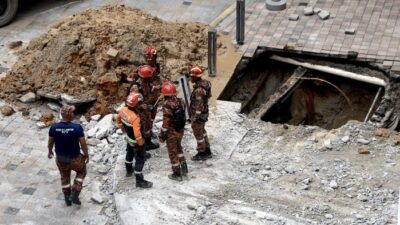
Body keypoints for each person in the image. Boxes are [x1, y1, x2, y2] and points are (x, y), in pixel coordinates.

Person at [48, 105, 89, 206]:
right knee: (81, 171)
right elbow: (83, 144)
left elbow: (50, 142)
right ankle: (75, 192)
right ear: (70, 115)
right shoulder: (77, 128)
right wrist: (86, 154)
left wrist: (50, 151)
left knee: (65, 177)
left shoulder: (54, 127)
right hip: (75, 158)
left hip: (61, 159)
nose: (74, 114)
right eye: (72, 113)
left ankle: (67, 199)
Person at [115, 92, 153, 188]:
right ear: (136, 104)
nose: (141, 104)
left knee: (130, 153)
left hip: (129, 138)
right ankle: (139, 181)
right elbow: (137, 134)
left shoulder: (123, 110)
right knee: (140, 159)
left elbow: (117, 119)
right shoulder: (135, 118)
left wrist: (122, 128)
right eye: (139, 103)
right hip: (136, 141)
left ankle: (128, 170)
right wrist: (141, 144)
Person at [158, 82, 188, 181]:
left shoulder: (167, 105)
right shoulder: (181, 101)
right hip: (180, 130)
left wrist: (162, 135)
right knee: (178, 147)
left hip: (172, 132)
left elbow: (166, 124)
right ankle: (184, 167)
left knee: (172, 153)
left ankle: (177, 174)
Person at [129, 65, 162, 150]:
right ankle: (140, 147)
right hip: (140, 110)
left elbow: (148, 94)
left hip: (146, 109)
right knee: (141, 127)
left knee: (148, 125)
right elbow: (131, 101)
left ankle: (147, 142)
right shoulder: (136, 86)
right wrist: (142, 106)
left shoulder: (146, 82)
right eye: (149, 77)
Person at [188, 65, 212, 161]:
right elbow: (209, 96)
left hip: (199, 114)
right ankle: (207, 149)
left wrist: (195, 118)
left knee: (198, 133)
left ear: (195, 77)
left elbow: (199, 106)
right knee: (202, 131)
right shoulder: (206, 83)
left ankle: (201, 152)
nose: (190, 78)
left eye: (191, 76)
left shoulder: (199, 90)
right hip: (204, 112)